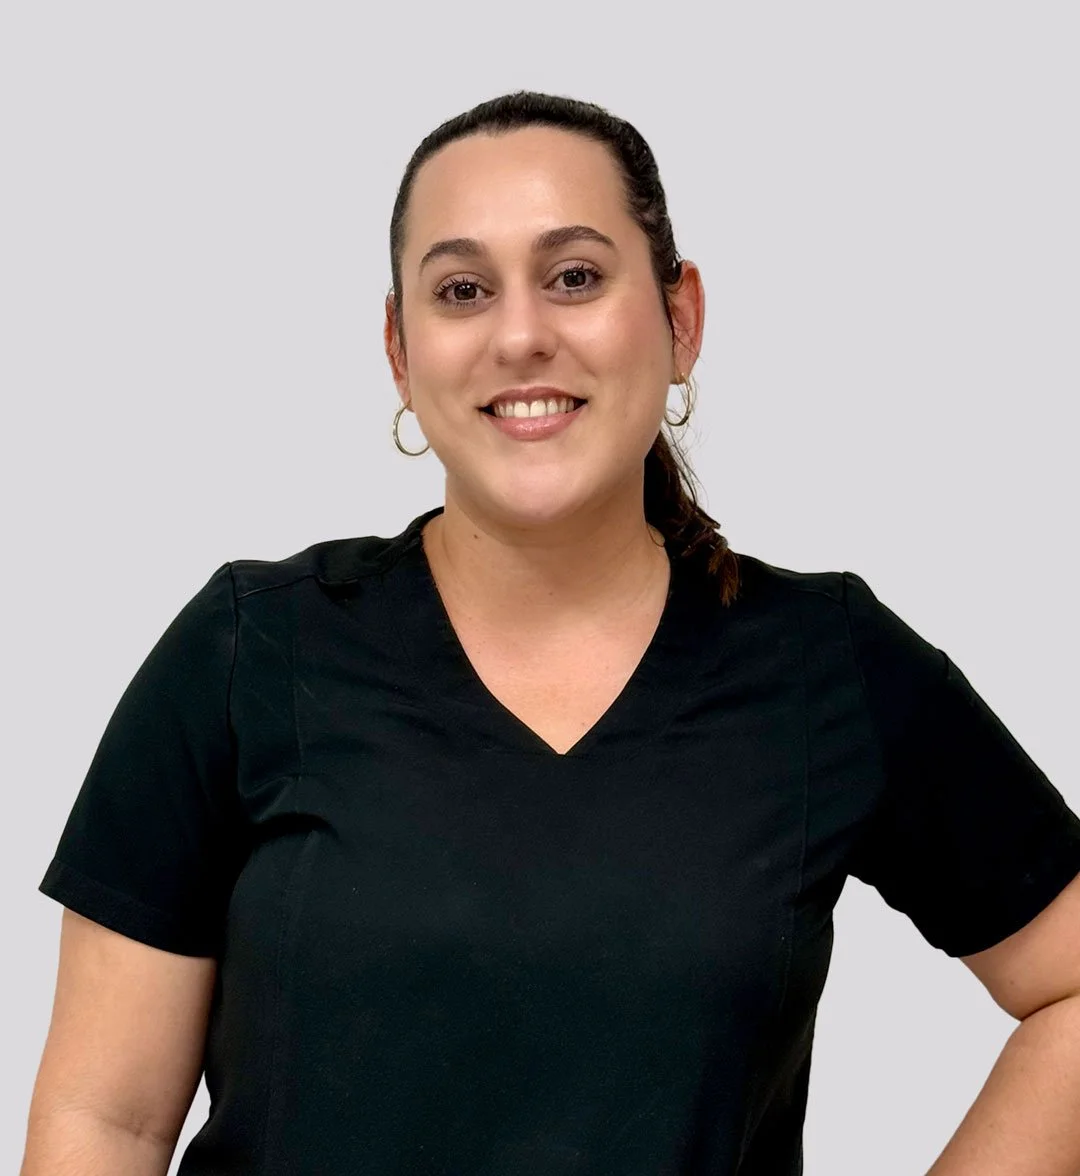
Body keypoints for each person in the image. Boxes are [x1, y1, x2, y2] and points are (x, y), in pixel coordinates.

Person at [22, 90, 1080, 1176]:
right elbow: (109, 1120)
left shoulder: (828, 667)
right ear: (399, 348)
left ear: (683, 318)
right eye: (462, 289)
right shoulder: (249, 652)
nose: (521, 334)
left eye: (575, 276)